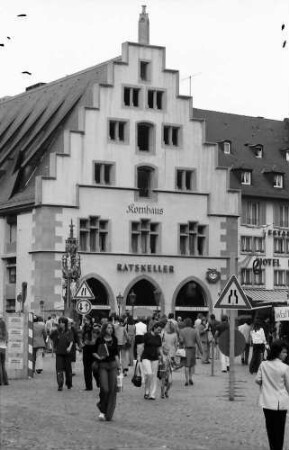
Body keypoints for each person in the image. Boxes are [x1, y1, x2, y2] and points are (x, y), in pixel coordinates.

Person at [255, 340, 289, 450]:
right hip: (281, 403)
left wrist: (267, 382)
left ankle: (273, 447)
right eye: (284, 352)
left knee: (270, 429)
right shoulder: (285, 367)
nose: (286, 354)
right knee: (280, 430)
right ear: (277, 352)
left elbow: (258, 380)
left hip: (267, 402)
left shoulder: (264, 364)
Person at [93, 322, 120, 421]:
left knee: (112, 390)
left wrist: (119, 366)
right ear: (104, 329)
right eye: (108, 328)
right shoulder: (99, 340)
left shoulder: (115, 339)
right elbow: (94, 352)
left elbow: (116, 354)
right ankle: (102, 409)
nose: (110, 329)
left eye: (111, 328)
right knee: (105, 389)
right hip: (103, 365)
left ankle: (108, 412)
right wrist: (99, 357)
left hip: (112, 365)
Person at [50, 317, 74, 391]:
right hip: (59, 352)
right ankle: (60, 384)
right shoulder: (56, 331)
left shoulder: (69, 331)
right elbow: (51, 338)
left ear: (65, 323)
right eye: (60, 322)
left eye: (62, 322)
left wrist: (69, 347)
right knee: (59, 369)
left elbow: (71, 341)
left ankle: (69, 383)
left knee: (68, 369)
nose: (61, 324)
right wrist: (53, 347)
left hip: (67, 353)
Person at [141, 321, 164, 400]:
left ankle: (152, 394)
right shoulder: (146, 335)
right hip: (146, 357)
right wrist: (139, 358)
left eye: (160, 330)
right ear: (154, 328)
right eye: (158, 329)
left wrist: (162, 356)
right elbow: (142, 346)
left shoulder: (159, 337)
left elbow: (159, 348)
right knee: (149, 374)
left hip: (155, 358)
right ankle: (147, 391)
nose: (159, 331)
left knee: (154, 376)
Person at [179, 317, 203, 386]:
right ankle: (190, 378)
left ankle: (186, 380)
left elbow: (181, 341)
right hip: (192, 349)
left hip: (185, 349)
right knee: (191, 365)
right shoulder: (195, 331)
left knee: (186, 365)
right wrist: (201, 351)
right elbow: (198, 341)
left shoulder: (182, 331)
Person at [81, 315, 96, 391]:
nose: (85, 321)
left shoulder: (94, 328)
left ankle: (99, 381)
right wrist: (82, 344)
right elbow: (82, 337)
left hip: (93, 348)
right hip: (86, 348)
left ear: (90, 320)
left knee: (95, 367)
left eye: (86, 320)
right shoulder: (84, 328)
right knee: (86, 368)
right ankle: (88, 386)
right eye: (84, 320)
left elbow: (96, 338)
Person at [0, 314, 9, 386]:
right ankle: (5, 381)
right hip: (3, 347)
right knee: (3, 365)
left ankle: (0, 381)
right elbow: (7, 340)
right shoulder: (5, 330)